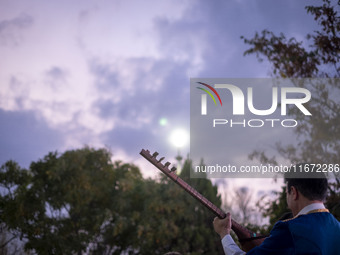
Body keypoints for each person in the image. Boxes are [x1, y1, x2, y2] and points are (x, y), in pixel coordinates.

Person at [213, 164, 340, 254]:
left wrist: (225, 233)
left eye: (287, 193)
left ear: (293, 192)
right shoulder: (337, 228)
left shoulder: (290, 229)